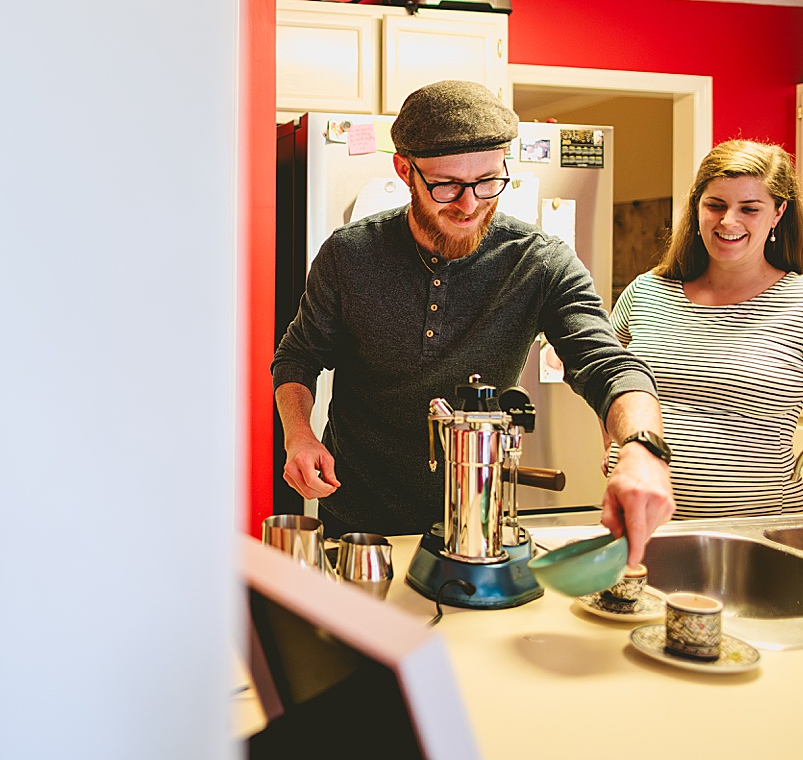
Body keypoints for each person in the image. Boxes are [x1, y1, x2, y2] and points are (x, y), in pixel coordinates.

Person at [272, 80, 675, 565]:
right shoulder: (350, 254)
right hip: (360, 525)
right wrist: (299, 434)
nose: (469, 204)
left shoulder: (540, 262)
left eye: (487, 181)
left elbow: (607, 364)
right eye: (446, 185)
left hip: (480, 523)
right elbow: (297, 357)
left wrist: (641, 447)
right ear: (405, 170)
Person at [608, 140, 803, 518]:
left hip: (753, 538)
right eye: (715, 205)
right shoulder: (646, 292)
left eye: (749, 208)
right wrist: (615, 447)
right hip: (641, 524)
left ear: (778, 213)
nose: (729, 221)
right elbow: (608, 380)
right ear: (696, 207)